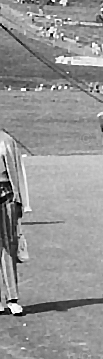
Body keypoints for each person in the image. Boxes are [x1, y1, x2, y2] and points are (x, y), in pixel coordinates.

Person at [0, 129, 31, 316]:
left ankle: (12, 298)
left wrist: (22, 202)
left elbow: (18, 171)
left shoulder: (6, 140)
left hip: (6, 196)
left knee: (8, 246)